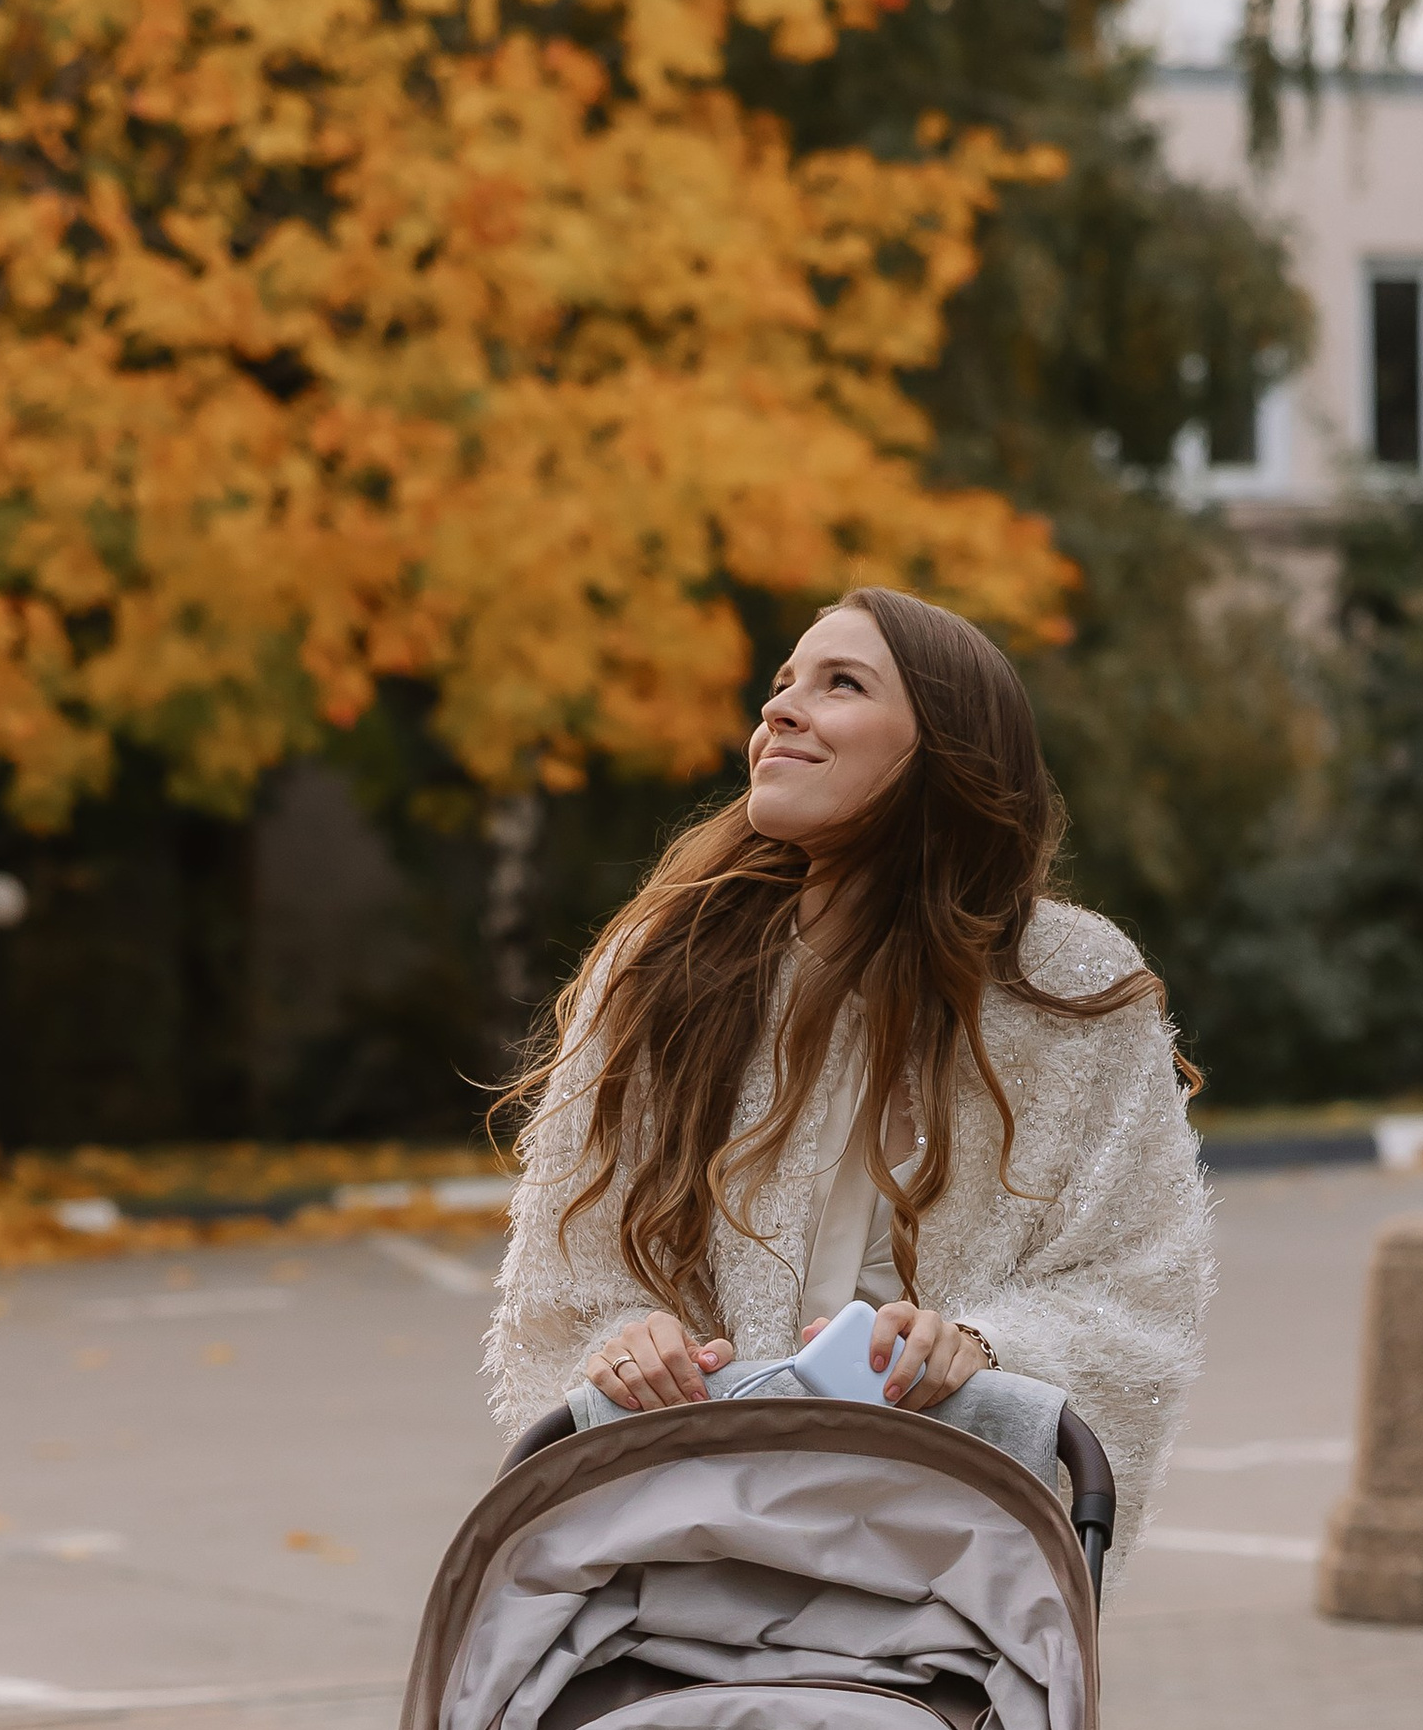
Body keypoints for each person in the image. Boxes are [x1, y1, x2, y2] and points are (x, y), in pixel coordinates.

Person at [484, 584, 1210, 1558]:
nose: (777, 708)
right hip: (685, 1551)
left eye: (839, 684)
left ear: (943, 748)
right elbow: (565, 1283)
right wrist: (622, 1345)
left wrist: (987, 1347)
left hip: (944, 1570)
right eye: (781, 684)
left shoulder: (1073, 988)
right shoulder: (662, 968)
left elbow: (1138, 1288)